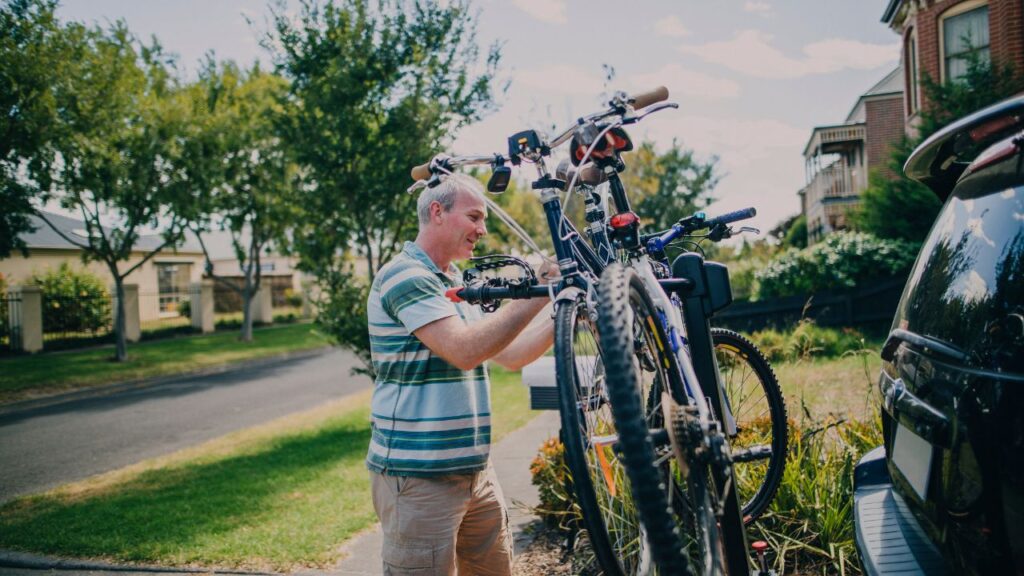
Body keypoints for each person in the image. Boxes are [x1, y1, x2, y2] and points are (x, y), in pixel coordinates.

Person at [365, 172, 554, 575]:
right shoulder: (406, 277)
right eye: (474, 217)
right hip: (419, 479)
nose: (482, 230)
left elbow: (512, 355)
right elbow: (465, 351)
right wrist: (534, 286)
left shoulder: (454, 282)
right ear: (437, 212)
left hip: (475, 474)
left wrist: (560, 304)